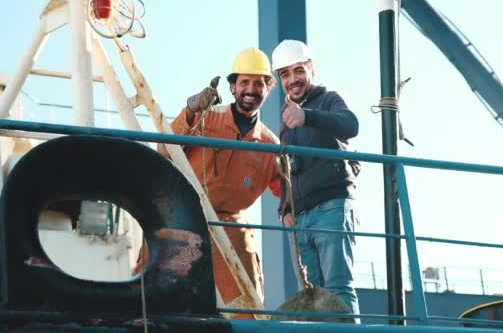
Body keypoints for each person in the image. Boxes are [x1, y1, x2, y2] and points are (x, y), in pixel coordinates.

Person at [135, 47, 281, 314]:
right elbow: (165, 151)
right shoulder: (206, 116)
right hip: (183, 213)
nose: (251, 89)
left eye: (258, 83)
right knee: (147, 293)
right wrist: (190, 111)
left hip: (230, 223)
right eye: (244, 82)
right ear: (233, 87)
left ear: (268, 88)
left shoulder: (271, 146)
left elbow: (288, 194)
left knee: (250, 305)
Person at [271, 39, 361, 319]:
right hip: (300, 217)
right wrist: (285, 209)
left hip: (330, 207)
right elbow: (288, 169)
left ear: (311, 69)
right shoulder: (286, 121)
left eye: (298, 70)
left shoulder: (328, 100)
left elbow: (351, 124)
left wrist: (307, 116)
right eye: (285, 74)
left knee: (337, 287)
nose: (293, 79)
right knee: (310, 295)